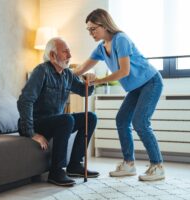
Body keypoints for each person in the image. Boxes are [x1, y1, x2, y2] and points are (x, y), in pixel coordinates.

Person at [74, 8, 165, 181]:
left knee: (141, 122)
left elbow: (124, 71)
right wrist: (62, 74)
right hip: (136, 88)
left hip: (151, 82)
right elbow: (81, 68)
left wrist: (98, 80)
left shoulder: (120, 40)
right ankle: (129, 164)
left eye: (93, 29)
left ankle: (157, 166)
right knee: (122, 120)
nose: (91, 33)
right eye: (89, 30)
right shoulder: (101, 48)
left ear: (104, 25)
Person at [17, 37, 99, 187]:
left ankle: (75, 165)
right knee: (66, 119)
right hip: (37, 123)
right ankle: (56, 172)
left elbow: (83, 91)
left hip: (57, 122)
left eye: (69, 52)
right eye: (65, 52)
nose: (69, 56)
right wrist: (31, 132)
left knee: (91, 117)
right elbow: (24, 101)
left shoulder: (67, 74)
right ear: (53, 56)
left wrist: (90, 81)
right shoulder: (41, 71)